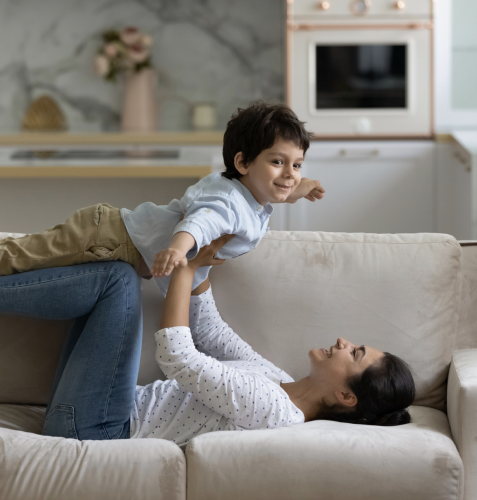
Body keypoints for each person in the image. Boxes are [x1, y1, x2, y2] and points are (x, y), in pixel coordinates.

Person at [0, 236, 415, 444]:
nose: (344, 341)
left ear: (347, 396)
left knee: (117, 280)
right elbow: (211, 333)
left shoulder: (276, 411)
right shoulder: (278, 378)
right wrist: (205, 258)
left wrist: (184, 268)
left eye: (355, 353)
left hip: (100, 427)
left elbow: (178, 357)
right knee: (112, 268)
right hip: (91, 410)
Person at [0, 101, 325, 295]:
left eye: (296, 164)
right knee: (19, 256)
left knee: (27, 257)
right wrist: (176, 249)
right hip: (107, 237)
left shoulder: (243, 190)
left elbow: (266, 192)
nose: (290, 173)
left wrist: (296, 188)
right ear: (242, 162)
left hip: (113, 240)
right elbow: (202, 220)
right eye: (278, 162)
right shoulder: (227, 203)